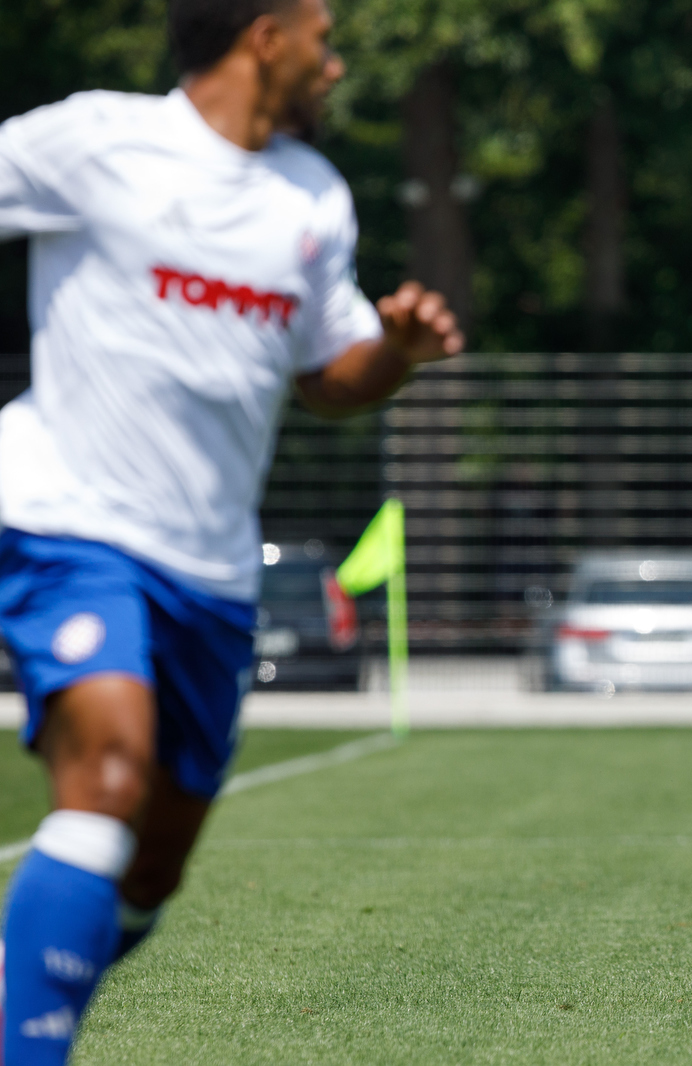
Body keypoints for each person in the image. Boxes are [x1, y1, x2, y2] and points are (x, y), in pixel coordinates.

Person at [0, 0, 463, 1060]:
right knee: (107, 776)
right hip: (67, 520)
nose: (335, 64)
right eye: (323, 36)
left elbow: (325, 376)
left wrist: (392, 351)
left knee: (152, 869)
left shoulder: (311, 197)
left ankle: (19, 974)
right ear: (265, 36)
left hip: (211, 571)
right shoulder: (98, 140)